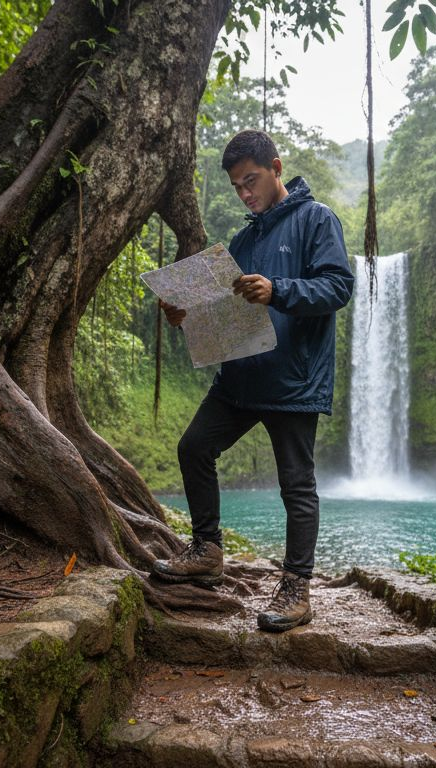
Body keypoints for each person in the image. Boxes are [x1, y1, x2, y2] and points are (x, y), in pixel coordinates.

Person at [153, 129, 354, 633]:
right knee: (194, 447)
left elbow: (338, 286)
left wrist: (277, 289)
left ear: (276, 169)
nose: (245, 193)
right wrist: (185, 316)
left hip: (293, 380)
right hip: (241, 377)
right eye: (237, 187)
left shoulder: (317, 219)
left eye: (251, 181)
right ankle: (207, 551)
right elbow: (223, 312)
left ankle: (296, 589)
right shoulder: (242, 241)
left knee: (296, 485)